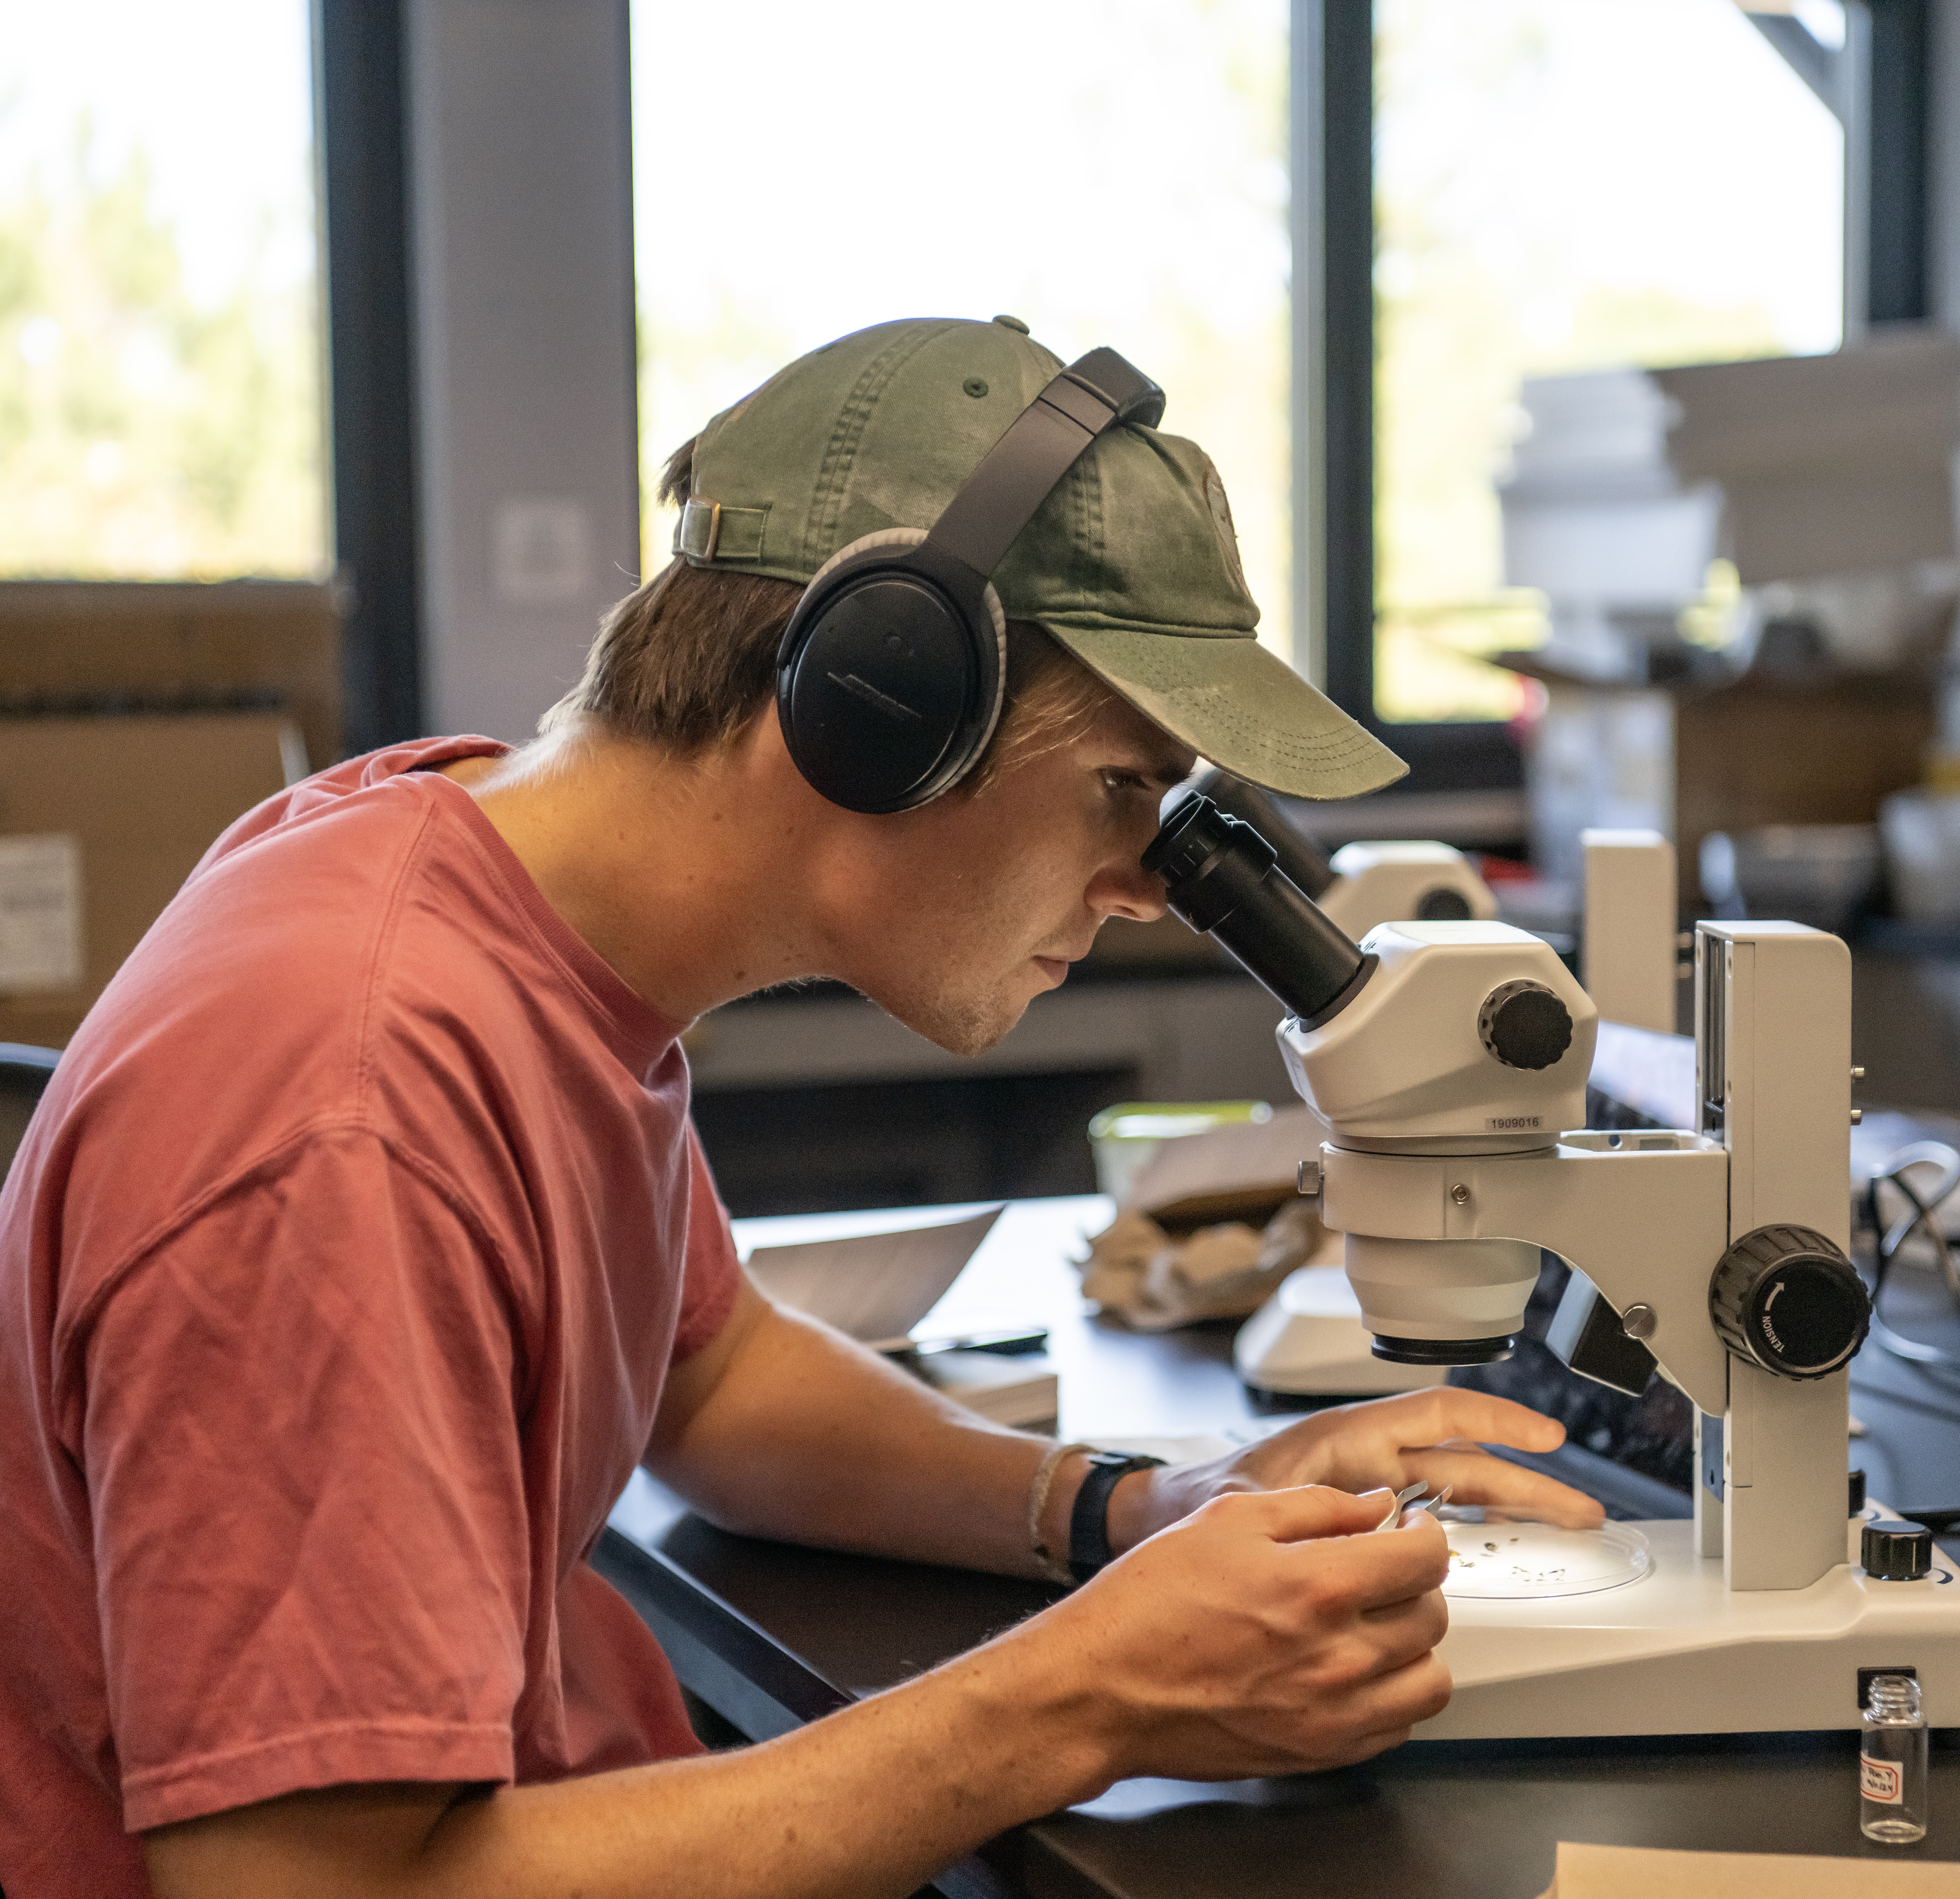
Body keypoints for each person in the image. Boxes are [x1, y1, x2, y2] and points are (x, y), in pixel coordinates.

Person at [0, 316, 1600, 1899]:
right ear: (876, 704)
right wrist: (1085, 1696)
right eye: (1123, 786)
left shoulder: (477, 889)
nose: (1141, 890)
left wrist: (1131, 1506)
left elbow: (714, 1376)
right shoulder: (351, 1111)